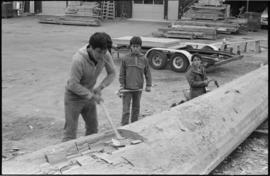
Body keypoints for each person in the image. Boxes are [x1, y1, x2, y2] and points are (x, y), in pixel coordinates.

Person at [62, 32, 116, 142]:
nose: (101, 56)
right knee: (70, 133)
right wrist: (91, 96)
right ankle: (66, 157)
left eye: (104, 52)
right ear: (91, 47)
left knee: (93, 129)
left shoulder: (105, 54)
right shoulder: (78, 60)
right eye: (99, 52)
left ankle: (88, 154)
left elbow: (112, 73)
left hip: (90, 93)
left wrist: (101, 87)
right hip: (73, 97)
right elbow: (73, 84)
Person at [119, 36, 152, 126]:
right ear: (130, 47)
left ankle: (133, 126)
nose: (135, 48)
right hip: (127, 89)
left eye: (137, 46)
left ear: (140, 47)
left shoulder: (144, 59)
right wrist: (122, 85)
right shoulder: (125, 58)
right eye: (133, 46)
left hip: (138, 89)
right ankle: (124, 126)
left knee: (136, 108)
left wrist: (148, 85)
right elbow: (122, 73)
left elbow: (148, 73)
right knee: (126, 110)